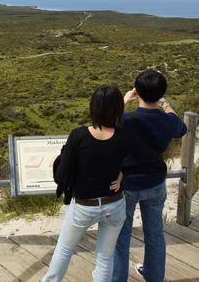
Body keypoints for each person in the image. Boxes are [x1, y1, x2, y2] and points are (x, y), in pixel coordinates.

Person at [42, 85, 162, 282]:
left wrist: (63, 156)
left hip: (84, 206)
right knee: (105, 257)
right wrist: (125, 173)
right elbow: (155, 163)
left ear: (92, 107)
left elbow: (61, 177)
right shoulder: (124, 137)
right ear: (118, 110)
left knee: (64, 250)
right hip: (114, 205)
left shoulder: (78, 136)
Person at [112, 70, 187, 282]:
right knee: (155, 234)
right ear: (162, 93)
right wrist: (166, 104)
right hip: (155, 183)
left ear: (136, 91)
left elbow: (106, 124)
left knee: (121, 237)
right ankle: (154, 277)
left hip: (127, 184)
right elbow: (181, 127)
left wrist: (123, 101)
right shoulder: (167, 121)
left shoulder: (125, 120)